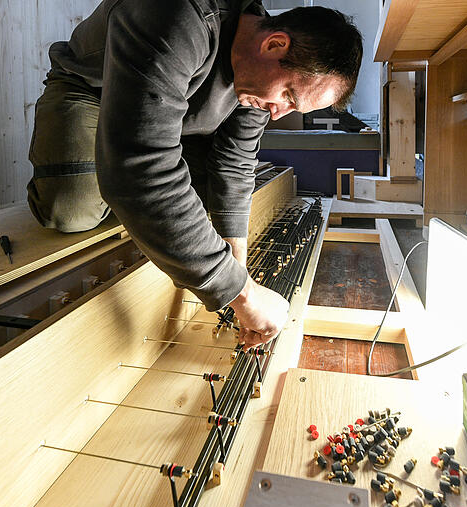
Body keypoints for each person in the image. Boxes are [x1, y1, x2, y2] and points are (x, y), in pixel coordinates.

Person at [26, 0, 363, 346]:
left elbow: (235, 160)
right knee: (72, 210)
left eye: (293, 106)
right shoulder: (179, 15)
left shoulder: (259, 79)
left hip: (169, 118)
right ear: (274, 44)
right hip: (92, 93)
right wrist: (243, 295)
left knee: (193, 210)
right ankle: (113, 183)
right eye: (289, 96)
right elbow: (142, 166)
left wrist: (236, 267)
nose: (279, 114)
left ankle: (130, 196)